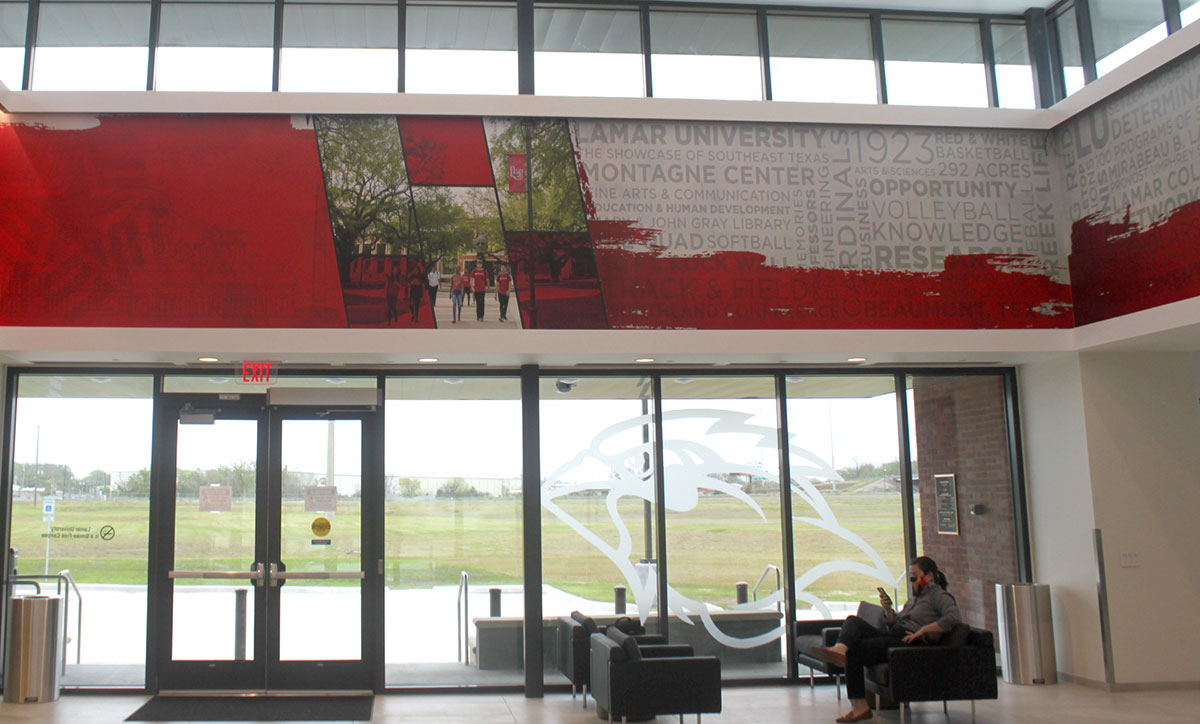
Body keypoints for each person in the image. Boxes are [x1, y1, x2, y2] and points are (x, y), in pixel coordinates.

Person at [810, 556, 961, 723]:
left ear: (930, 575)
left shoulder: (939, 596)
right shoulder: (915, 598)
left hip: (909, 641)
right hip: (894, 634)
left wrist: (922, 631)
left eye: (915, 575)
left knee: (855, 650)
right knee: (852, 621)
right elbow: (895, 622)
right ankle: (840, 649)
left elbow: (953, 618)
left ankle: (860, 706)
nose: (912, 580)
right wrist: (888, 610)